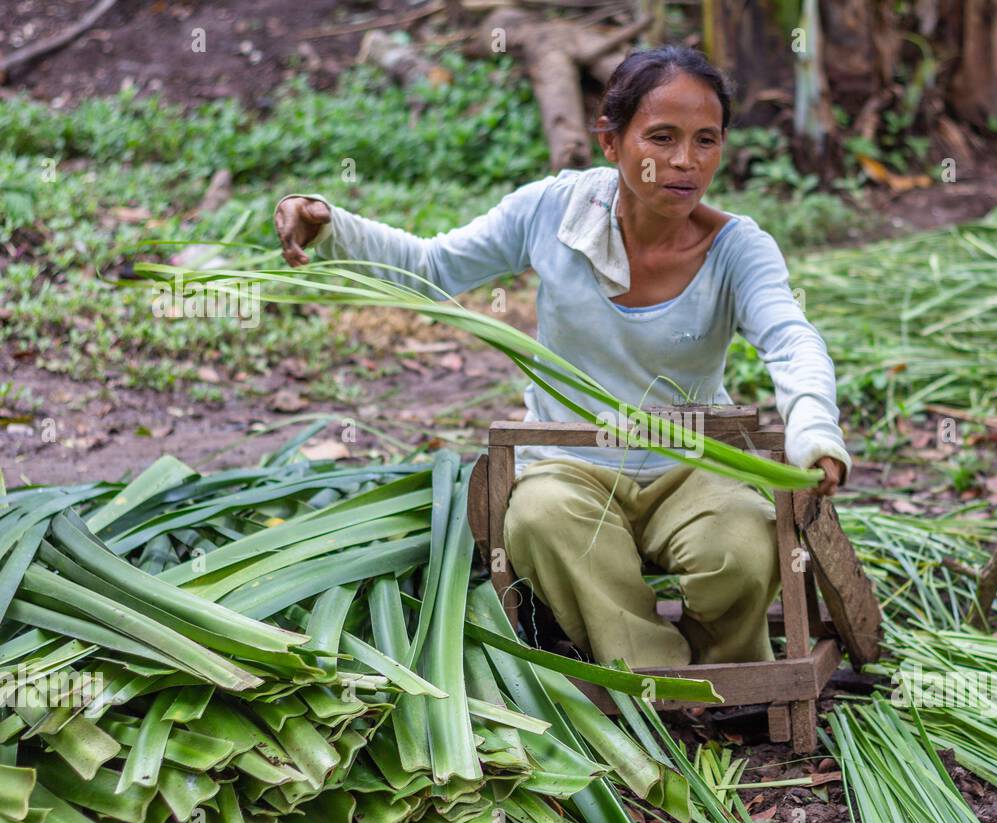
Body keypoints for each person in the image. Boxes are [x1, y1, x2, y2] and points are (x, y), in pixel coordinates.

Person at [274, 45, 852, 669]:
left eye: (706, 140)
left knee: (743, 543)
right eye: (661, 137)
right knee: (540, 521)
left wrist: (814, 431)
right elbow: (432, 267)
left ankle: (729, 666)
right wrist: (331, 225)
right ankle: (658, 678)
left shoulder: (737, 248)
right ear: (611, 142)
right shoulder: (552, 212)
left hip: (689, 462)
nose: (685, 162)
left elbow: (791, 339)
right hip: (568, 464)